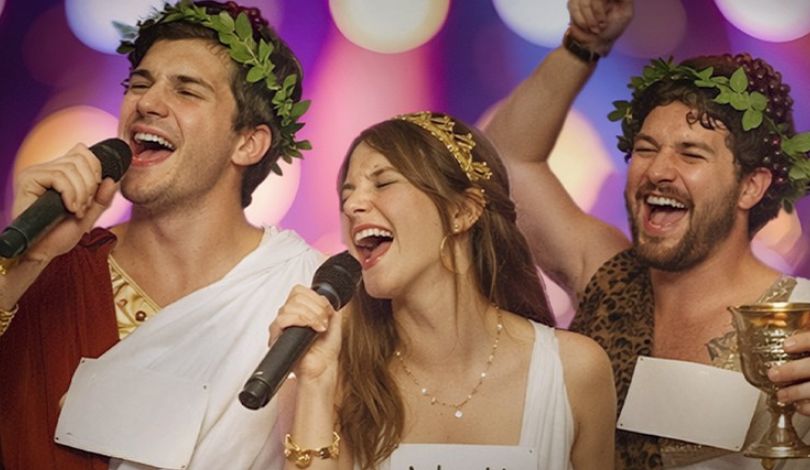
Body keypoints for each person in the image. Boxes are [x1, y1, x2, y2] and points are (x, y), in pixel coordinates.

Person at [484, 0, 810, 468]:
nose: (658, 170)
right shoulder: (610, 278)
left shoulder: (799, 317)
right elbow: (505, 163)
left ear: (750, 186)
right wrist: (583, 45)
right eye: (645, 148)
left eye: (691, 155)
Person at [0, 1, 322, 469]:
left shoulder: (305, 291)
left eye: (187, 91)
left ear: (248, 142)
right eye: (139, 84)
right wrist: (25, 261)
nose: (145, 103)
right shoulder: (48, 271)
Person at [270, 111, 617, 470]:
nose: (352, 205)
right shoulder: (343, 376)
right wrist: (315, 381)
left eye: (383, 183)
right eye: (348, 192)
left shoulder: (573, 370)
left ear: (462, 211)